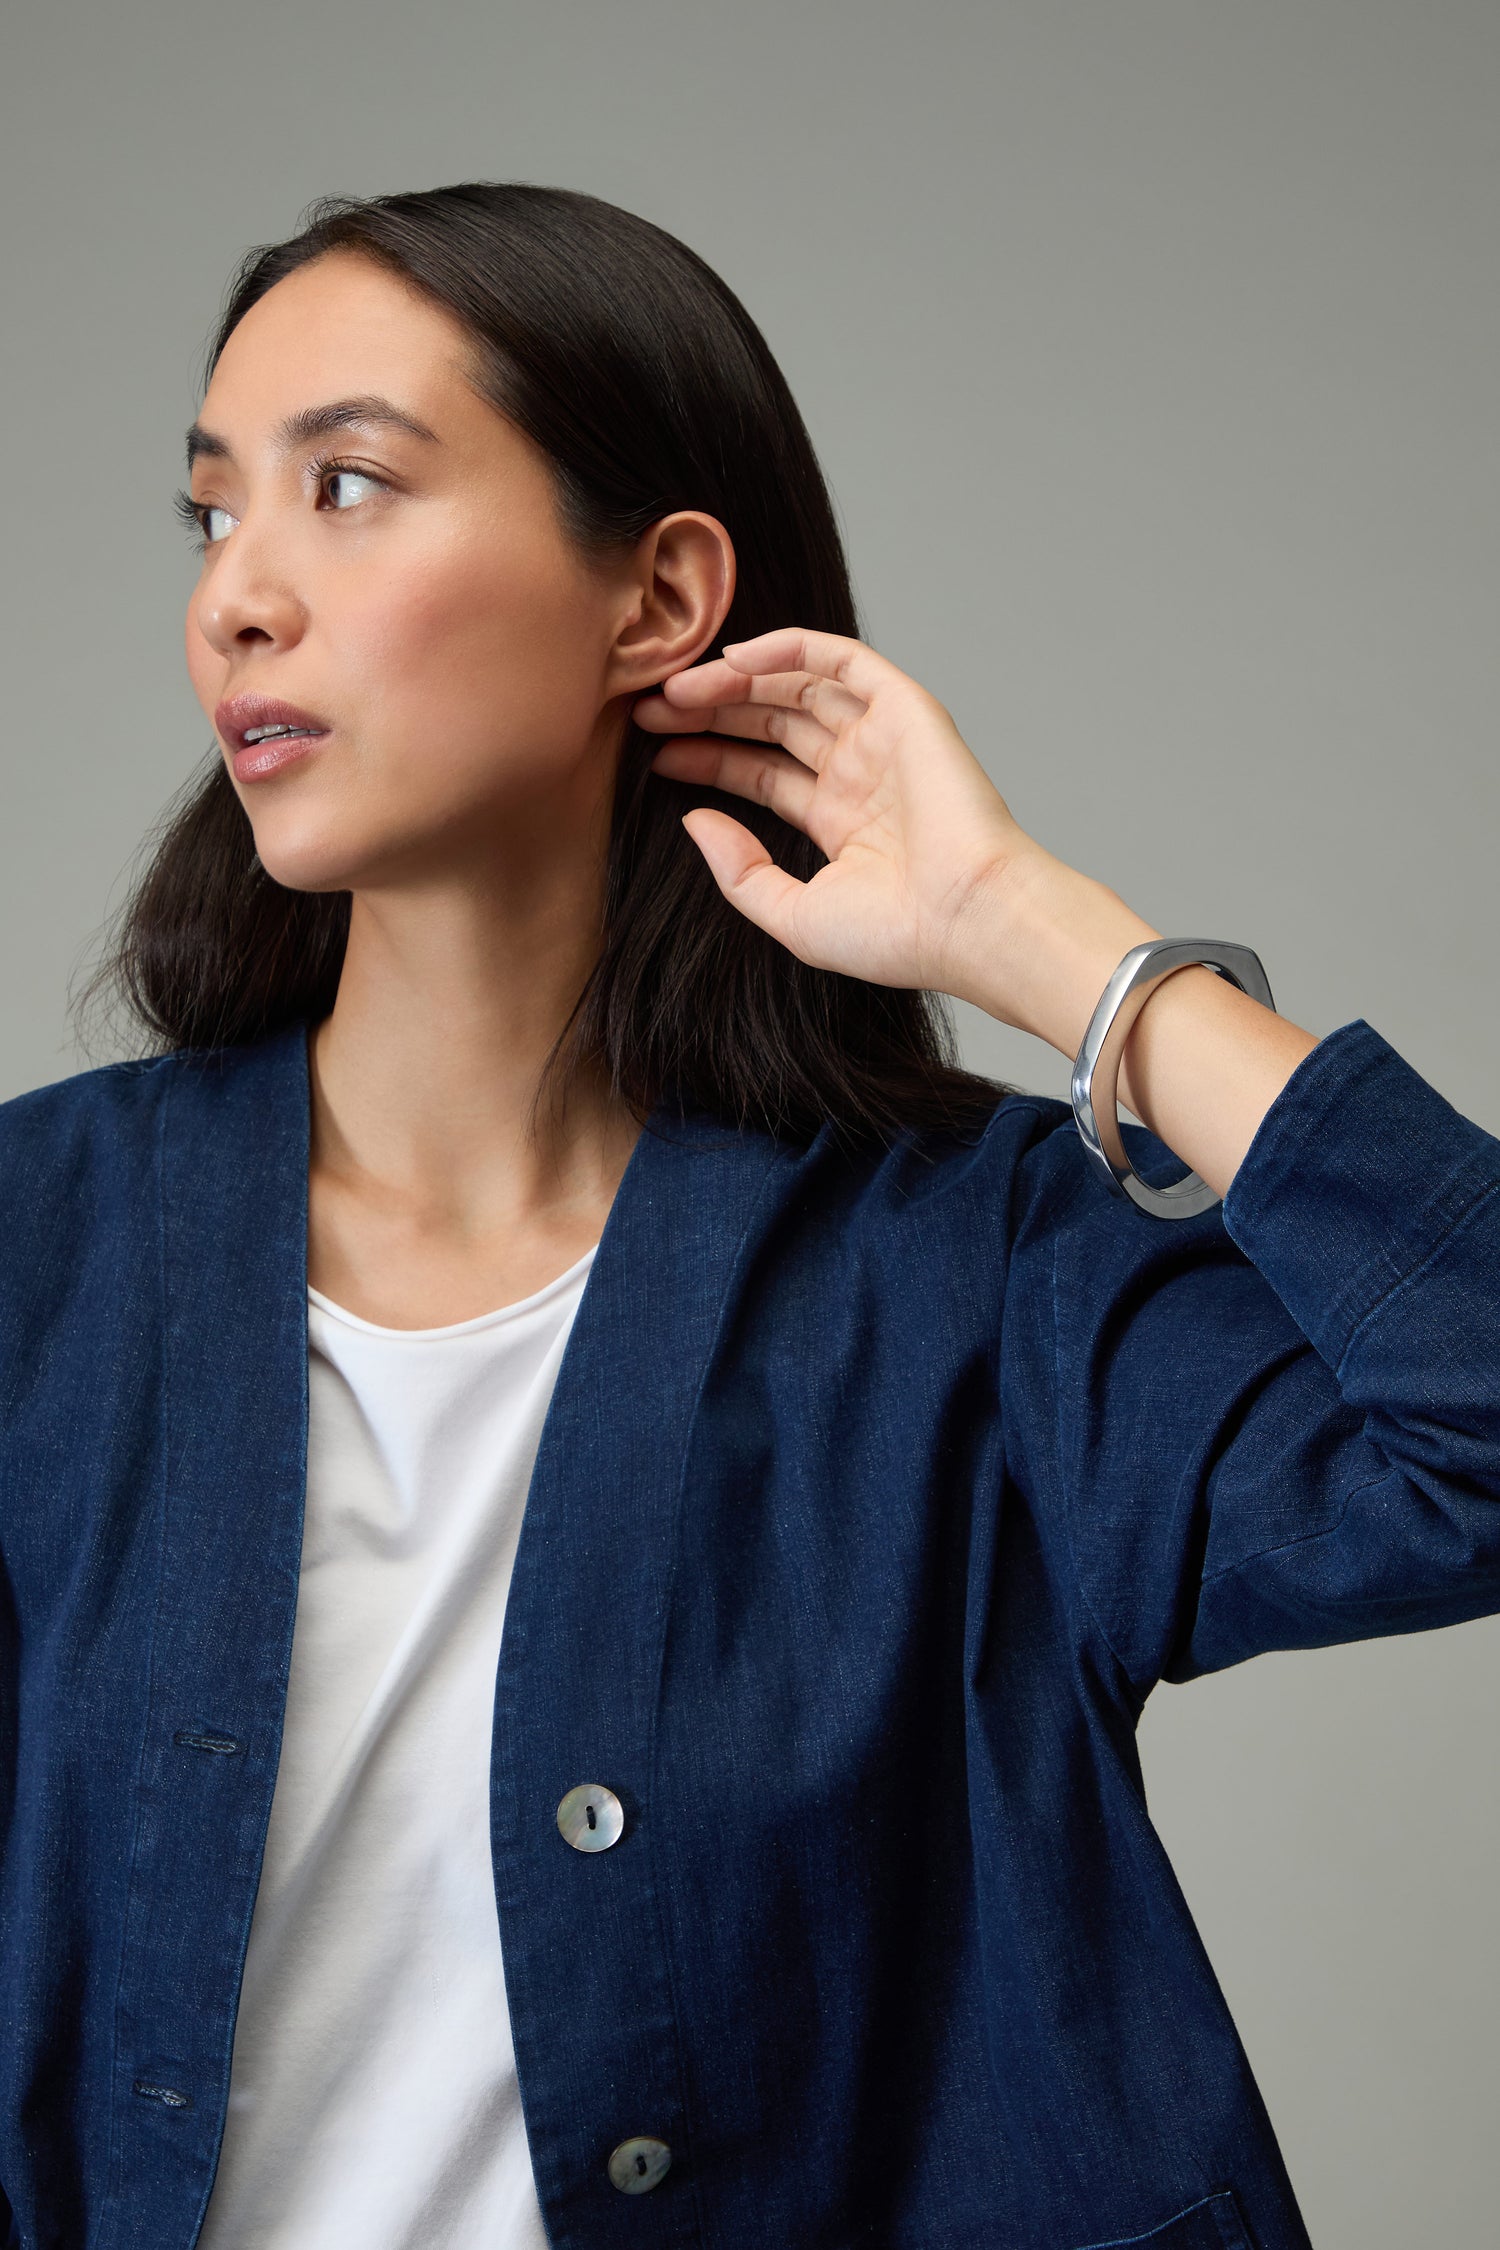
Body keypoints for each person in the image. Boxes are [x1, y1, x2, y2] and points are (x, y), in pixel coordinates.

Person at [1, 182, 1495, 2250]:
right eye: (211, 513)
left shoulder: (974, 1277)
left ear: (658, 599)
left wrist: (1034, 936)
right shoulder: (36, 1262)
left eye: (346, 487)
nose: (236, 597)